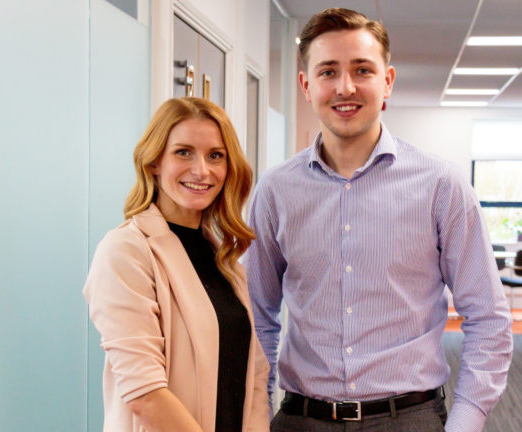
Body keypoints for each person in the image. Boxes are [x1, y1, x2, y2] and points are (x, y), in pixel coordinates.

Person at [245, 7, 512, 432]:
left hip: (410, 419)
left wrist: (464, 424)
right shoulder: (275, 191)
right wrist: (257, 418)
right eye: (328, 71)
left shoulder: (441, 185)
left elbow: (489, 320)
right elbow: (259, 318)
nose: (344, 87)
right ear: (306, 85)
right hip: (301, 420)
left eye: (362, 70)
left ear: (387, 81)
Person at [84, 97, 270, 431]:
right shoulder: (126, 250)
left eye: (216, 156)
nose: (202, 170)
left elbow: (254, 375)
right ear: (154, 162)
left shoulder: (224, 258)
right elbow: (145, 393)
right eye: (183, 152)